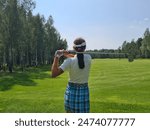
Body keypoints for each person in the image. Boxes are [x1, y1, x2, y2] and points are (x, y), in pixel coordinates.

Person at [51, 37, 91, 113]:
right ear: (84, 47)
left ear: (74, 48)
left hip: (71, 93)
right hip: (84, 92)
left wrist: (56, 57)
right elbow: (78, 57)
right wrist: (66, 54)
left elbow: (54, 74)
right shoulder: (89, 58)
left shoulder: (69, 61)